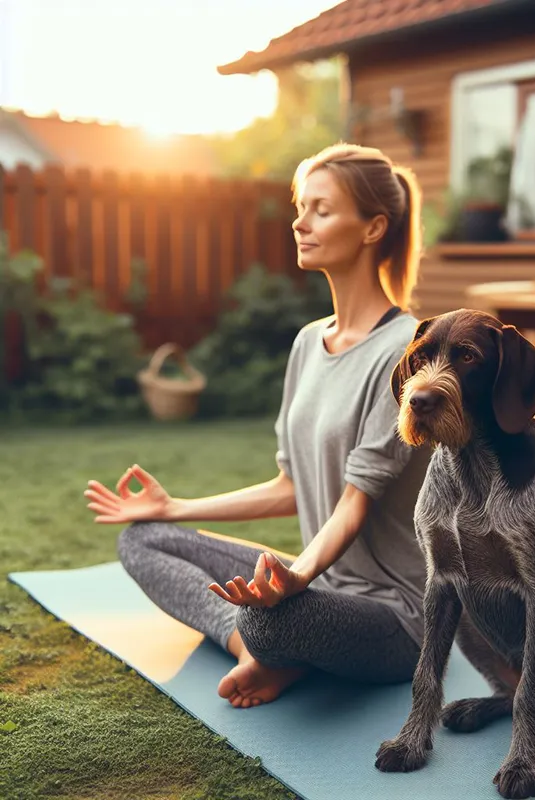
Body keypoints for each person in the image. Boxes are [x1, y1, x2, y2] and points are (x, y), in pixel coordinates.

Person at [84, 143, 430, 708]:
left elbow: (353, 503)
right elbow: (290, 487)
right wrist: (173, 507)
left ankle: (268, 646)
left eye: (321, 208)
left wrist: (295, 581)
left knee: (272, 618)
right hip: (317, 585)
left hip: (394, 619)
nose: (300, 221)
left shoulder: (407, 350)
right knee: (143, 538)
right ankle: (260, 652)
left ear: (373, 228)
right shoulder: (306, 343)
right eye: (302, 206)